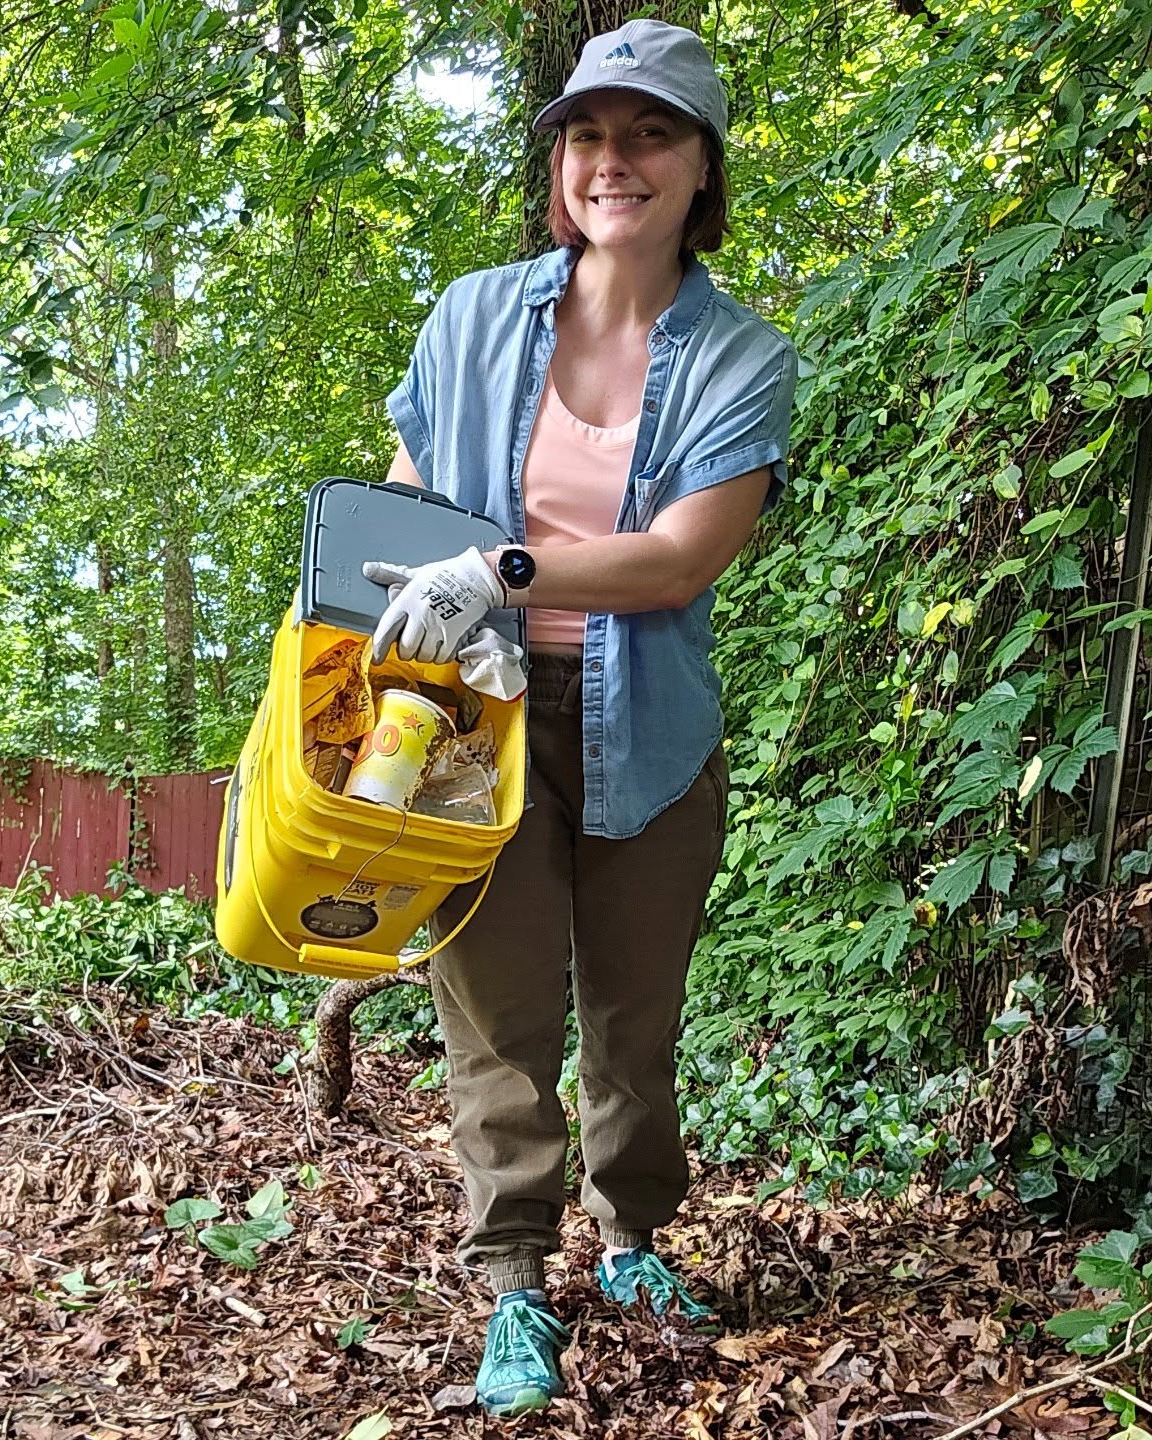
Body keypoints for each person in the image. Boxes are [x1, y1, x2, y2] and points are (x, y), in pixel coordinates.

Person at [361, 17, 797, 1418]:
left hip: (650, 723)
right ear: (561, 163)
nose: (615, 161)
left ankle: (633, 1241)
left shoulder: (740, 356)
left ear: (701, 164)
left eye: (650, 132)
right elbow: (406, 490)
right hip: (468, 718)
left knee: (634, 1013)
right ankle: (513, 1285)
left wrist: (499, 568)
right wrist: (377, 633)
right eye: (589, 135)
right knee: (493, 1012)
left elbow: (677, 558)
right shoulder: (473, 313)